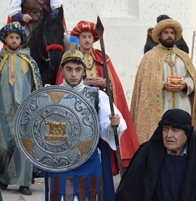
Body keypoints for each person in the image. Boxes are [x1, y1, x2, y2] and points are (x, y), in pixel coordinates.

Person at [42, 38, 126, 201]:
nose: (74, 74)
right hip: (60, 164)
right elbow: (39, 130)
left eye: (78, 70)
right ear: (63, 71)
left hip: (89, 162)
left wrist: (113, 122)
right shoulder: (50, 95)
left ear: (84, 71)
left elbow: (110, 130)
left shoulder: (98, 96)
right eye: (69, 69)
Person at [54, 20, 139, 173]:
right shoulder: (70, 58)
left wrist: (106, 82)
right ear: (78, 39)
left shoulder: (103, 57)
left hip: (99, 107)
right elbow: (64, 83)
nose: (87, 40)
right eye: (83, 37)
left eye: (90, 37)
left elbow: (115, 85)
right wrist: (83, 83)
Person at [0, 23, 42, 195]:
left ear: (21, 40)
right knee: (3, 147)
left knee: (24, 146)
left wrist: (37, 106)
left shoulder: (31, 62)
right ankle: (3, 178)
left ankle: (24, 183)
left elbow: (36, 87)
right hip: (2, 112)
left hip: (26, 112)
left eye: (17, 38)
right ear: (5, 39)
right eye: (11, 37)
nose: (14, 40)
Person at [130, 17, 196, 144]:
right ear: (160, 35)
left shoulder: (183, 56)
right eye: (166, 33)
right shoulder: (149, 57)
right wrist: (163, 85)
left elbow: (192, 80)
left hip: (182, 103)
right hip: (160, 105)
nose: (169, 35)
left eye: (172, 33)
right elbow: (145, 84)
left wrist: (185, 85)